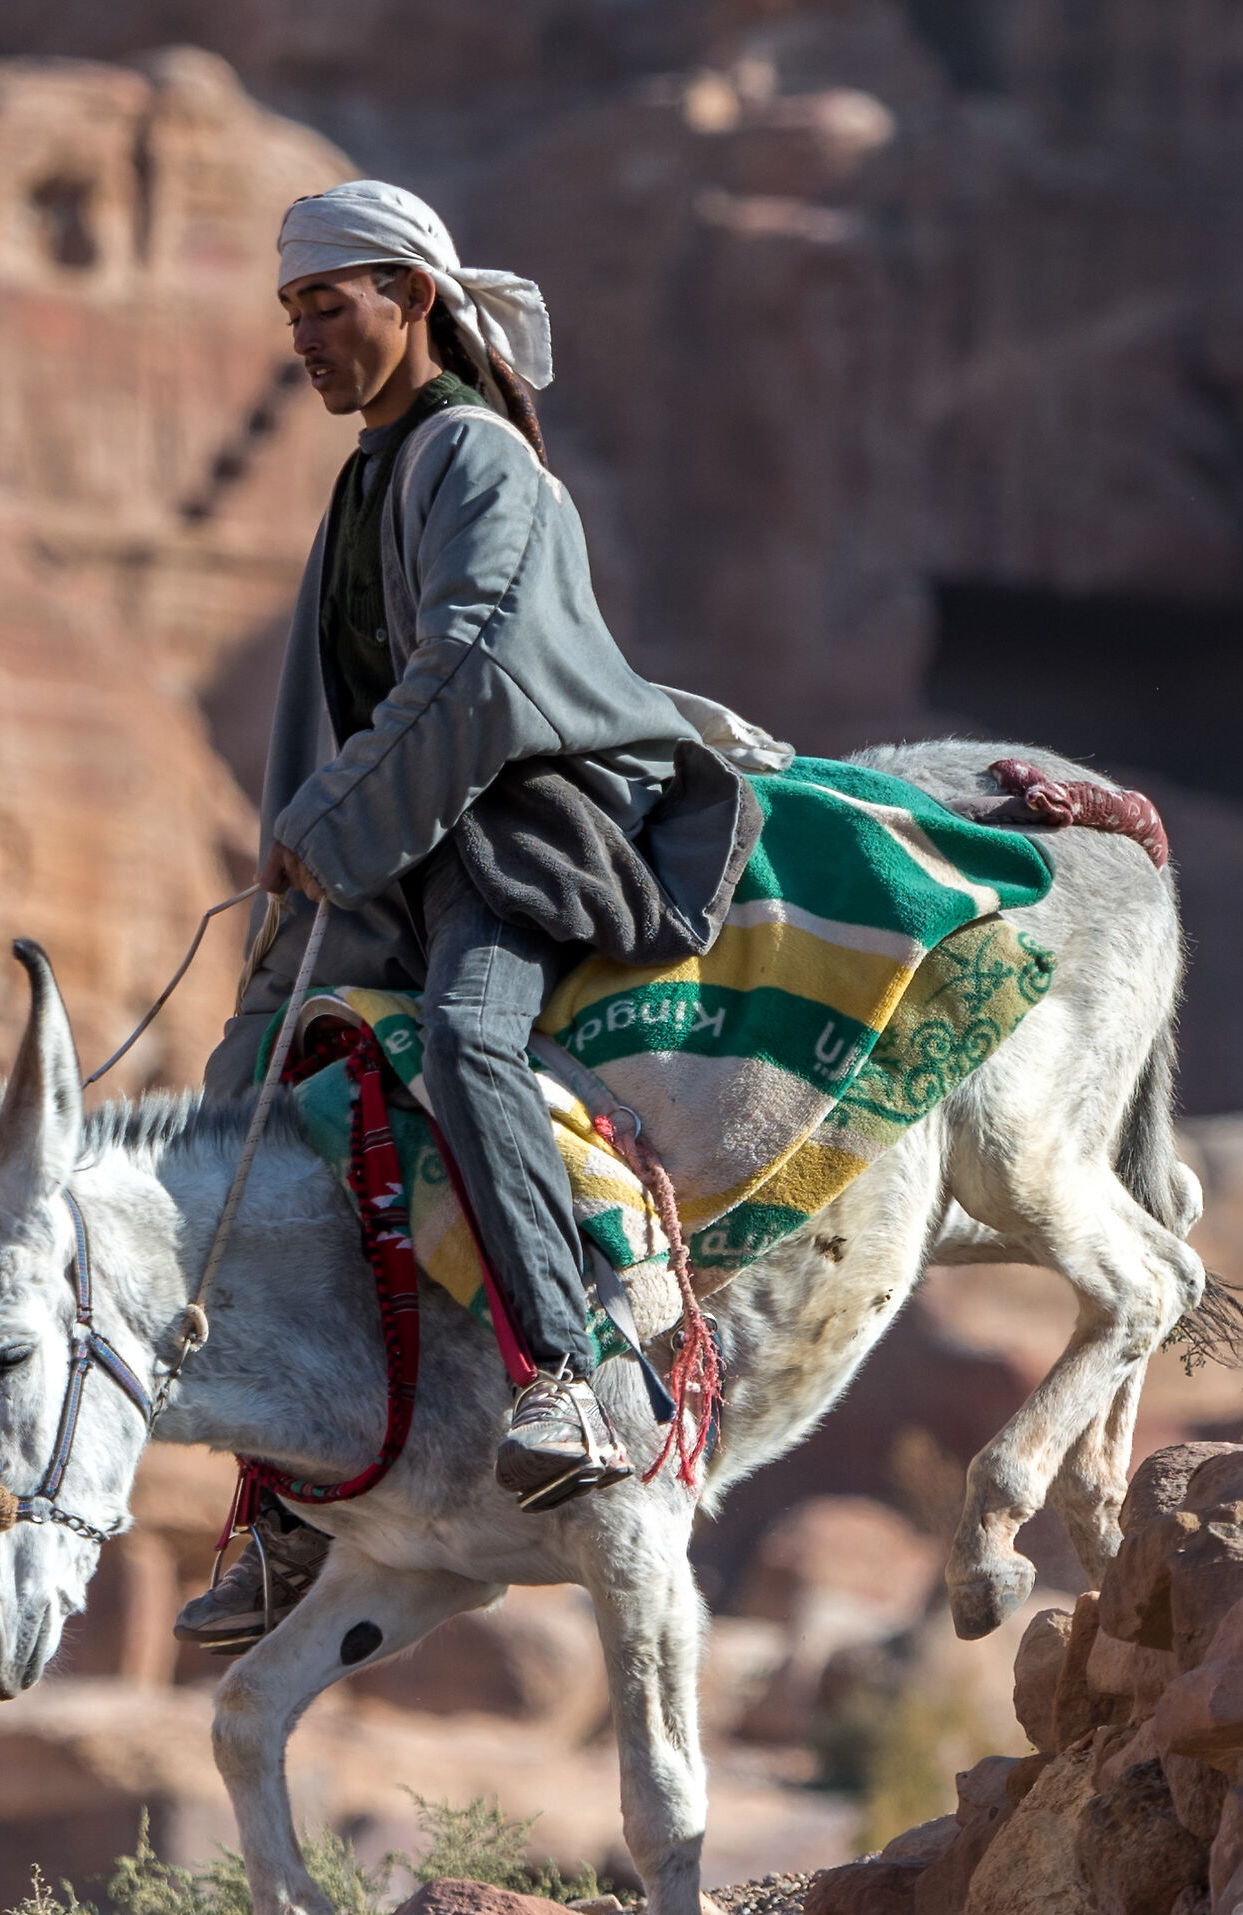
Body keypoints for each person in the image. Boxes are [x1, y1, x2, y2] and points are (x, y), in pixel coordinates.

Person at [176, 180, 762, 1655]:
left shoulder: (478, 459)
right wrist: (305, 862)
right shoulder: (368, 476)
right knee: (249, 1086)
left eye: (329, 304)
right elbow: (345, 716)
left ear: (414, 298)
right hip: (397, 840)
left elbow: (484, 671)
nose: (304, 336)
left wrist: (336, 821)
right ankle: (287, 1501)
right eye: (293, 310)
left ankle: (575, 1369)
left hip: (525, 825)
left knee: (466, 1034)